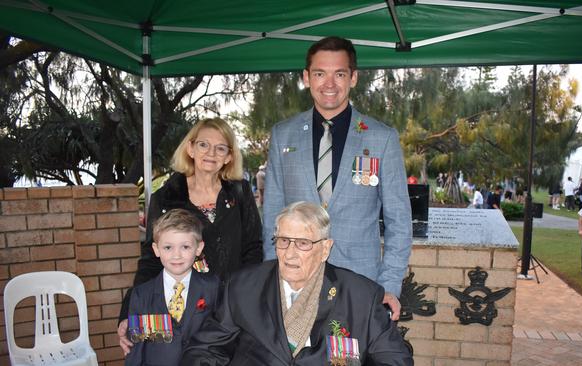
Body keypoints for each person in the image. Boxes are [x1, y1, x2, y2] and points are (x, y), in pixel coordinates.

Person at [263, 36, 411, 320]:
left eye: (339, 74)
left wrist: (389, 284)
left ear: (353, 78)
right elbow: (272, 213)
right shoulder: (284, 134)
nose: (329, 84)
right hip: (295, 281)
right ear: (306, 77)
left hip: (359, 283)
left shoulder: (382, 138)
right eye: (320, 74)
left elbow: (399, 220)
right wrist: (273, 277)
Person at [182, 202, 413, 365]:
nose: (290, 254)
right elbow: (205, 349)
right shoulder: (243, 286)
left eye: (303, 243)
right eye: (283, 241)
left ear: (325, 249)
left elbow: (394, 359)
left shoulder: (361, 296)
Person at [118, 118, 263, 354]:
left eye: (221, 148)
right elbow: (150, 260)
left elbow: (253, 249)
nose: (211, 153)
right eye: (204, 144)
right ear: (190, 148)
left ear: (229, 156)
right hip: (188, 312)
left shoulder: (240, 192)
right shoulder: (166, 198)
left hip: (234, 309)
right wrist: (128, 313)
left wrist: (245, 297)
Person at [125, 209, 219, 365]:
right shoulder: (142, 295)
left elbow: (221, 338)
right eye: (168, 247)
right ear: (156, 249)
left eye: (185, 247)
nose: (177, 255)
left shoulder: (213, 288)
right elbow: (137, 350)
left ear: (199, 248)